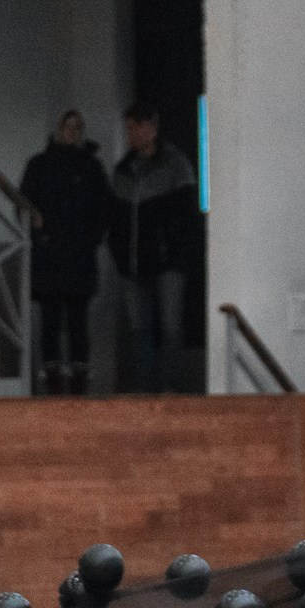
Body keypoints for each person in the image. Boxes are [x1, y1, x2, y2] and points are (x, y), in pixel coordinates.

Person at [20, 110, 114, 395]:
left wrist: (92, 238)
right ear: (58, 129)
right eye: (68, 127)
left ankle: (79, 372)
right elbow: (24, 204)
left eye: (77, 128)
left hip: (77, 252)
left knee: (77, 319)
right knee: (50, 317)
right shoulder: (39, 165)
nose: (72, 132)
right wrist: (38, 235)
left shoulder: (91, 167)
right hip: (50, 252)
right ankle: (51, 372)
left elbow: (104, 208)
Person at [108, 100, 200, 393]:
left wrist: (175, 251)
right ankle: (143, 389)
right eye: (128, 129)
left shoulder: (176, 165)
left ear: (151, 127)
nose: (131, 134)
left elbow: (188, 217)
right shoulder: (123, 170)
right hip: (133, 264)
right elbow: (115, 217)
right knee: (138, 329)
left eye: (135, 128)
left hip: (167, 262)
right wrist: (119, 252)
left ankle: (170, 388)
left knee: (170, 327)